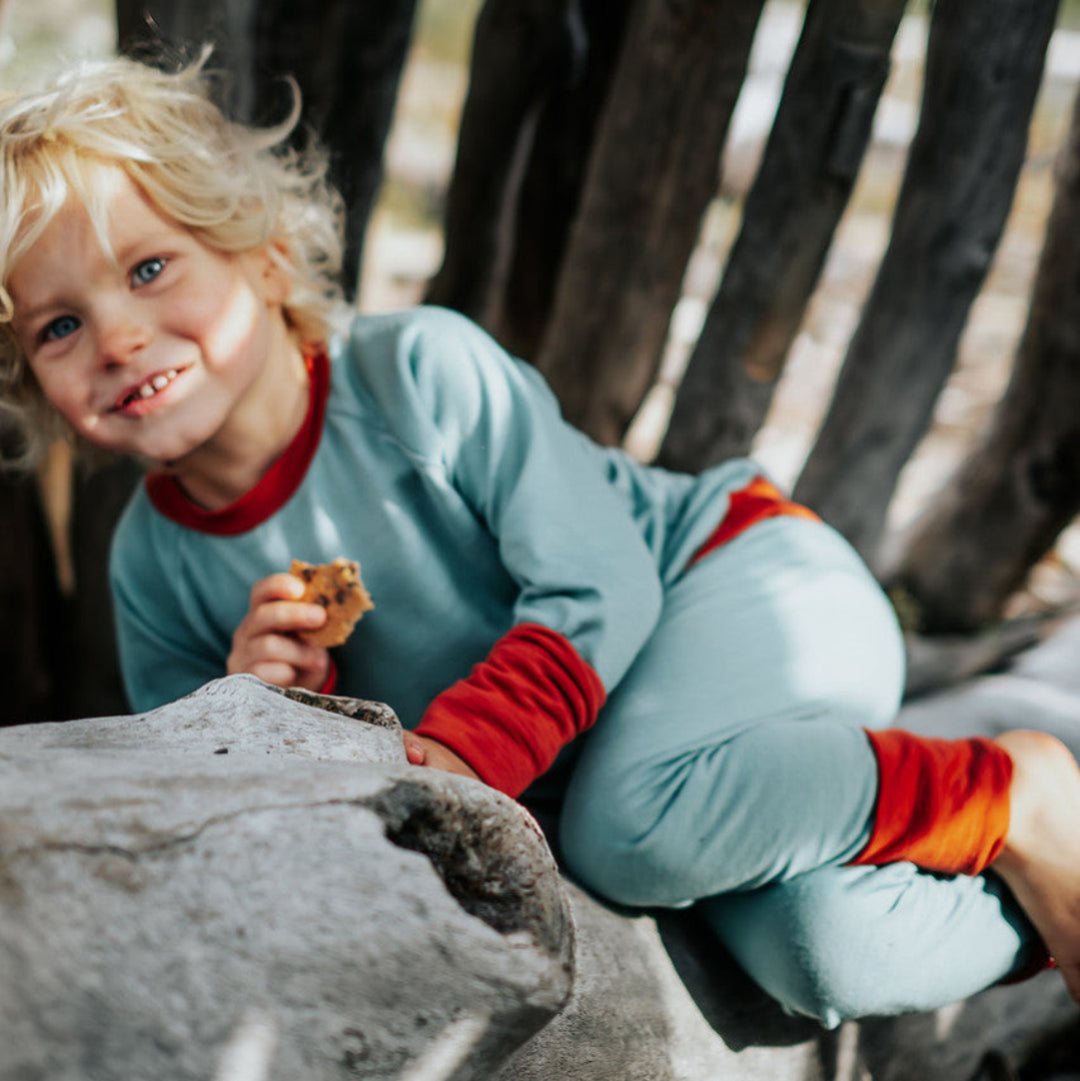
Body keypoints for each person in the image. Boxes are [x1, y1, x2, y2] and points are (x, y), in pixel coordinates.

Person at [1, 52, 1078, 1028]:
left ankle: (1014, 785)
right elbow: (206, 801)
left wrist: (468, 757)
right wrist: (254, 707)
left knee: (630, 832)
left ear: (268, 259)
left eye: (149, 269)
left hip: (740, 582)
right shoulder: (153, 563)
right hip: (641, 769)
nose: (119, 336)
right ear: (35, 387)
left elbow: (601, 586)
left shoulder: (417, 375)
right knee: (818, 957)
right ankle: (1041, 890)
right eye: (59, 325)